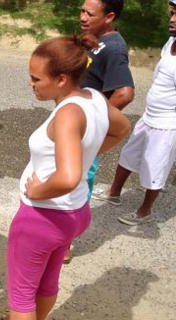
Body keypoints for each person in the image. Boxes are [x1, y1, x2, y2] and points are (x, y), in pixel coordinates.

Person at [0, 34, 130, 320]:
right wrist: (88, 155)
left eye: (36, 78)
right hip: (74, 214)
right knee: (48, 281)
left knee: (21, 292)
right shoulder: (93, 97)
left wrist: (37, 189)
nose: (30, 84)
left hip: (42, 217)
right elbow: (122, 128)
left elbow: (67, 176)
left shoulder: (67, 114)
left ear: (61, 79)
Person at [92, 1, 176, 225]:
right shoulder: (171, 43)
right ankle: (114, 193)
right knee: (129, 154)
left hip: (167, 124)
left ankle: (144, 211)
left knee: (155, 167)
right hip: (150, 115)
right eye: (174, 13)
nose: (173, 19)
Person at [64, 0, 135, 262]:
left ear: (110, 16)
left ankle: (66, 244)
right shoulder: (93, 37)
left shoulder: (114, 48)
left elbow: (125, 94)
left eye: (90, 13)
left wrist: (92, 116)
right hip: (72, 124)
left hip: (84, 132)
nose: (83, 17)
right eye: (82, 10)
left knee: (77, 182)